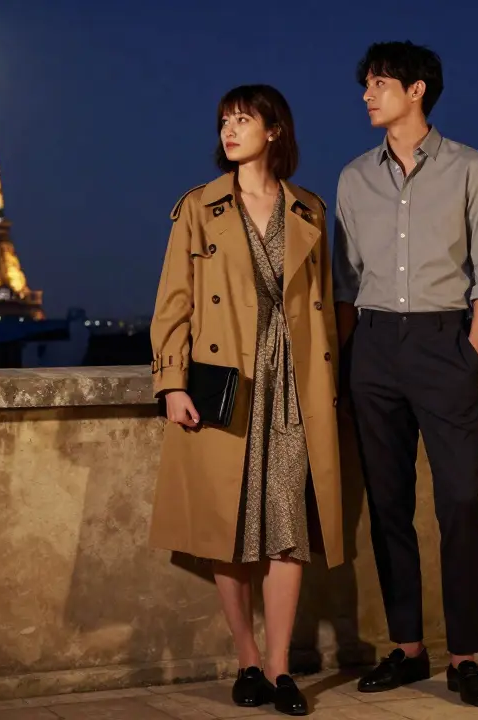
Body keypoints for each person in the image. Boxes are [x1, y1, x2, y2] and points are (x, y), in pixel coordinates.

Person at [149, 84, 344, 717]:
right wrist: (172, 383)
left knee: (289, 530)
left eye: (243, 119)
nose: (229, 131)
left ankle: (282, 667)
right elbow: (173, 302)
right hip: (225, 382)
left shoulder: (309, 209)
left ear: (275, 130)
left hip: (294, 384)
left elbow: (327, 307)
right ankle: (248, 660)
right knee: (225, 529)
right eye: (224, 121)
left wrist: (334, 382)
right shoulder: (199, 207)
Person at [332, 41, 478, 708]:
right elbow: (345, 284)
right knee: (388, 505)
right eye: (366, 84)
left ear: (416, 90)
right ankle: (408, 648)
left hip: (444, 344)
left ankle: (464, 657)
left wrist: (470, 351)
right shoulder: (354, 178)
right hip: (373, 346)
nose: (366, 95)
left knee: (460, 501)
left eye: (379, 83)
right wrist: (348, 360)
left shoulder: (471, 167)